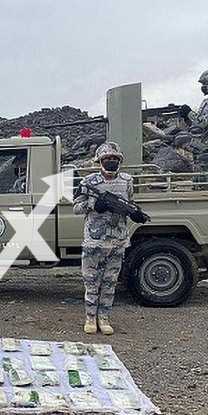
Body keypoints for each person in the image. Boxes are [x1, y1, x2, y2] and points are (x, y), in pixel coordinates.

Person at [73, 142, 134, 335]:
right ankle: (90, 318)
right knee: (91, 282)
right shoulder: (88, 182)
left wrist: (135, 214)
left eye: (115, 159)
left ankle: (104, 318)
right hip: (94, 241)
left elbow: (130, 203)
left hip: (117, 241)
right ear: (100, 161)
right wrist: (93, 205)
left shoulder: (127, 181)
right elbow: (76, 207)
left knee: (109, 283)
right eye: (107, 159)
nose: (111, 162)